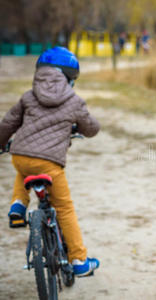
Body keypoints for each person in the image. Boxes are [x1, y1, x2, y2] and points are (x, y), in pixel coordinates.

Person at [0, 46, 100, 277]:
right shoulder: (73, 100)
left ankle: (18, 204)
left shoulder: (28, 96)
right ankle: (79, 261)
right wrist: (78, 126)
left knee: (24, 166)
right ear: (69, 78)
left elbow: (7, 124)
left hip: (21, 156)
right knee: (64, 208)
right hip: (50, 164)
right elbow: (92, 128)